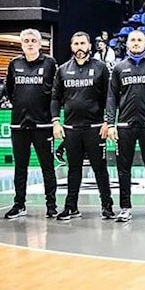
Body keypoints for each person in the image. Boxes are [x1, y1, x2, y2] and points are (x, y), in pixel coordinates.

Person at [106, 29, 145, 222]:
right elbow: (111, 97)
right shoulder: (119, 68)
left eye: (139, 40)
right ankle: (125, 208)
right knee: (123, 168)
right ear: (127, 43)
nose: (135, 43)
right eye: (132, 40)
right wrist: (110, 123)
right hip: (124, 125)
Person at [50, 31, 114, 220]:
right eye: (76, 43)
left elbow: (108, 97)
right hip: (71, 129)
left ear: (89, 46)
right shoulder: (62, 70)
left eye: (83, 43)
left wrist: (107, 121)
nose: (79, 47)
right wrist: (55, 121)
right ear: (71, 47)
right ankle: (71, 207)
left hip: (95, 128)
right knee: (73, 169)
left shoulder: (101, 68)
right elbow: (55, 97)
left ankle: (107, 206)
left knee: (100, 169)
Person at [3, 29, 59, 219]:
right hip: (19, 124)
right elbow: (10, 91)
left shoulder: (50, 63)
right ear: (21, 44)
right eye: (26, 40)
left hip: (43, 125)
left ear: (40, 43)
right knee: (20, 166)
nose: (29, 43)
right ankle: (19, 204)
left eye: (33, 40)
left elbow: (56, 92)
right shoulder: (14, 63)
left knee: (47, 166)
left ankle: (51, 205)